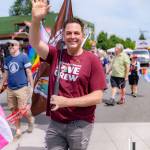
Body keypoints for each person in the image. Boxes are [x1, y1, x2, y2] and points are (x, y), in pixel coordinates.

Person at [29, 1, 106, 150]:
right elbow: (35, 42)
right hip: (56, 123)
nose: (72, 36)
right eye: (68, 33)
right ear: (63, 36)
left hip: (80, 124)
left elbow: (98, 96)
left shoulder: (92, 60)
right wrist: (36, 20)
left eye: (76, 33)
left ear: (82, 36)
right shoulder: (56, 54)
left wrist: (67, 102)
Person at [0, 40, 34, 139]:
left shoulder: (24, 57)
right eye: (9, 46)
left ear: (18, 46)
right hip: (10, 89)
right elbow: (6, 73)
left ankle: (30, 119)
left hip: (22, 88)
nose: (10, 47)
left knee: (23, 110)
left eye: (12, 46)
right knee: (14, 110)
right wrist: (1, 84)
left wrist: (31, 86)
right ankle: (18, 130)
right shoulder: (7, 59)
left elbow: (29, 73)